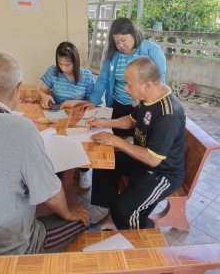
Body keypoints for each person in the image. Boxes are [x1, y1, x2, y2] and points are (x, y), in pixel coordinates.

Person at [0, 52, 89, 256]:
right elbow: (51, 194)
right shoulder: (20, 128)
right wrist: (68, 212)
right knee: (80, 220)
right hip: (8, 249)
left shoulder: (84, 77)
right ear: (18, 90)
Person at [85, 56, 185, 231]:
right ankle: (111, 218)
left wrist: (116, 141)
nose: (125, 88)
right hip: (141, 158)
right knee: (104, 165)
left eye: (129, 84)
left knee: (124, 210)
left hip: (162, 172)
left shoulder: (168, 114)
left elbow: (154, 160)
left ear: (147, 84)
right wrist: (103, 123)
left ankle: (138, 234)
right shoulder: (149, 98)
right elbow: (131, 121)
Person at [81, 17, 166, 137]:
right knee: (117, 139)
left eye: (123, 40)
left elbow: (159, 82)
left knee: (139, 140)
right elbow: (103, 79)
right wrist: (93, 100)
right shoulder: (111, 53)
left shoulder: (153, 50)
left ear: (133, 33)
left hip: (142, 106)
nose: (120, 45)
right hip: (119, 105)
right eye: (116, 42)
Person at [38, 41, 94, 190]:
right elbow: (41, 91)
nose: (63, 68)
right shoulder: (53, 71)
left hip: (78, 116)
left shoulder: (87, 76)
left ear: (76, 62)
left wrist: (75, 102)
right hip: (57, 115)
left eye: (67, 65)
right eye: (60, 64)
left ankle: (84, 170)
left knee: (81, 141)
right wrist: (44, 97)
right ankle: (58, 170)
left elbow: (90, 103)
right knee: (53, 141)